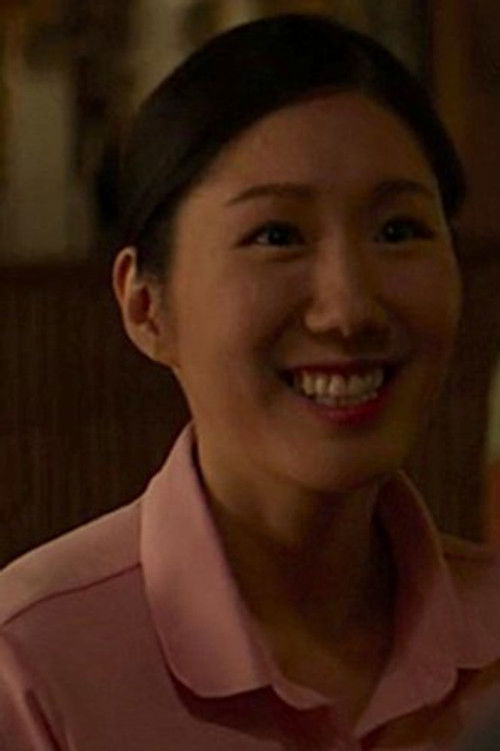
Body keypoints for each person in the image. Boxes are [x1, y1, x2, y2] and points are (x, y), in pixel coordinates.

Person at [1, 13, 499, 750]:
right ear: (145, 305)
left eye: (398, 230)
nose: (349, 309)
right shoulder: (34, 667)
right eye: (276, 235)